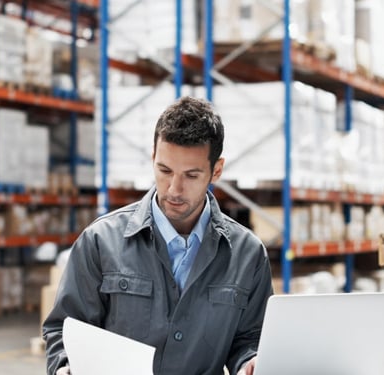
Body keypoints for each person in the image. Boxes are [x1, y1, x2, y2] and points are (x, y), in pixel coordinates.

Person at [43, 96, 274, 375]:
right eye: (164, 170)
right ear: (153, 157)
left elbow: (250, 339)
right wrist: (65, 367)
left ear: (216, 170)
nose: (174, 189)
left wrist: (251, 362)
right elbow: (64, 328)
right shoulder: (100, 242)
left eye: (191, 175)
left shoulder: (248, 254)